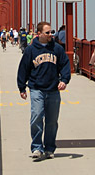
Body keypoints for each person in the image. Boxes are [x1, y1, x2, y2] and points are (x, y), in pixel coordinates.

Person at [17, 20, 71, 160]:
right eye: (47, 33)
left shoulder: (57, 48)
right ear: (39, 33)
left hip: (53, 89)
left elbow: (65, 64)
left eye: (51, 32)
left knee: (52, 121)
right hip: (36, 89)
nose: (50, 35)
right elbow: (23, 68)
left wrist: (64, 80)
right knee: (36, 117)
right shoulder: (30, 50)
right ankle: (36, 147)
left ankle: (49, 148)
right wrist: (22, 87)